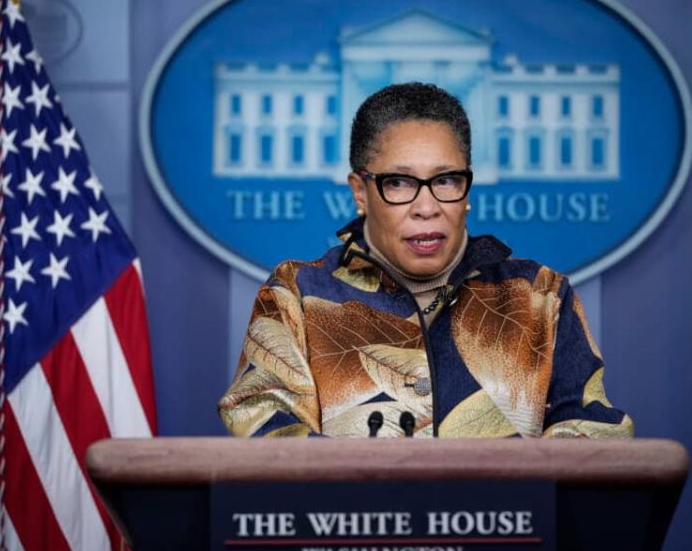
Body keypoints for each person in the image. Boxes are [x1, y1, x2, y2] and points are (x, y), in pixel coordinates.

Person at [218, 82, 633, 439]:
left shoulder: (540, 297)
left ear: (467, 189)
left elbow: (593, 435)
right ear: (360, 192)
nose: (427, 206)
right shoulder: (297, 296)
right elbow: (266, 432)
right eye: (399, 183)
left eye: (446, 180)